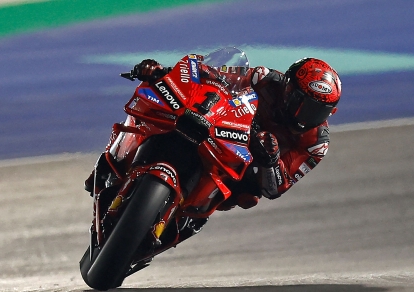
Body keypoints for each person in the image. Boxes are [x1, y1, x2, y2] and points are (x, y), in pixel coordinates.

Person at [85, 50, 342, 211]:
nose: (306, 117)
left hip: (244, 167)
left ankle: (190, 215)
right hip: (220, 129)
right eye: (303, 104)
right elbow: (214, 74)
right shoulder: (263, 79)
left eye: (318, 112)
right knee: (157, 105)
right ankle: (114, 157)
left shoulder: (316, 143)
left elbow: (276, 189)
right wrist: (165, 72)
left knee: (247, 197)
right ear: (288, 89)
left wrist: (270, 159)